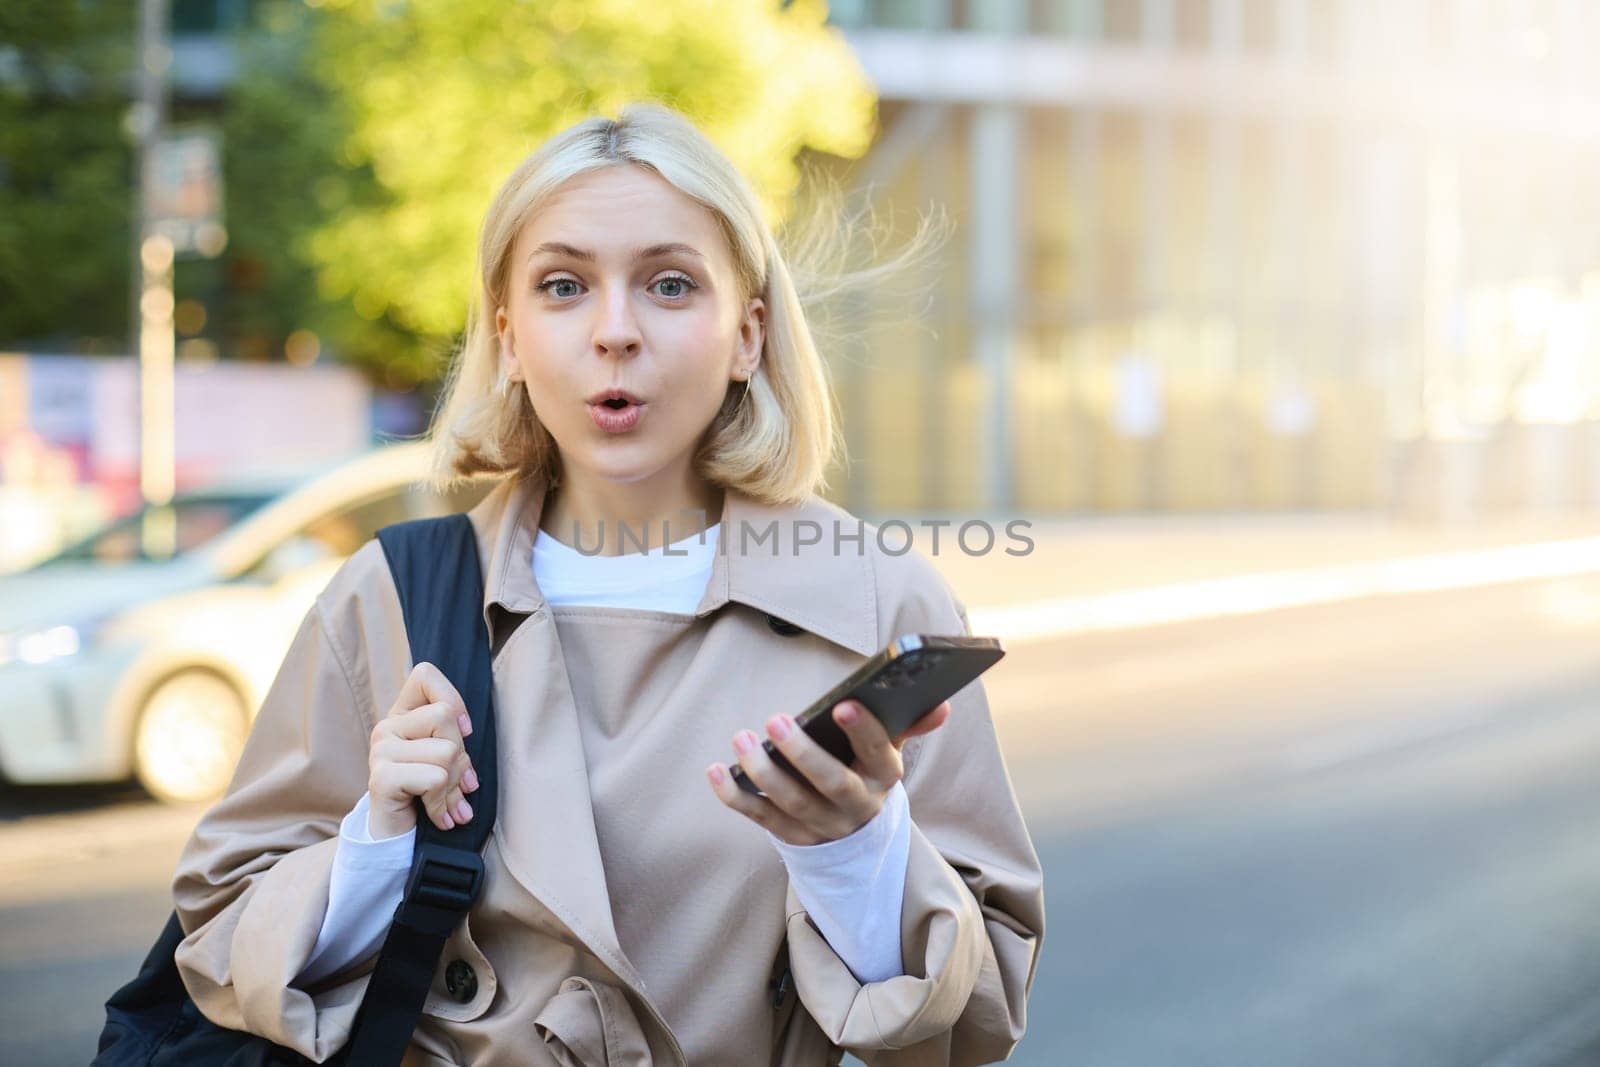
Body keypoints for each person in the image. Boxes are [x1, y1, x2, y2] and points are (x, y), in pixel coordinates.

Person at [169, 102, 1044, 1066]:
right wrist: (377, 843)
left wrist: (853, 851)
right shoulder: (389, 596)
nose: (615, 331)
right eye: (563, 286)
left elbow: (980, 1019)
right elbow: (220, 939)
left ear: (747, 335)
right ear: (507, 338)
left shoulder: (877, 602)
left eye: (670, 285)